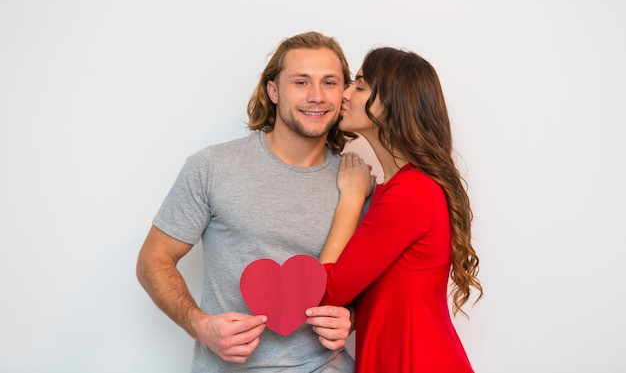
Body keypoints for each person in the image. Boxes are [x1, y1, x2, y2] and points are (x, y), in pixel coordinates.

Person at [136, 31, 358, 372]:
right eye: (301, 82)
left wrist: (351, 319)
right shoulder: (212, 167)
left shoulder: (356, 184)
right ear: (273, 90)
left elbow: (371, 284)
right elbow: (154, 258)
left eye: (329, 82)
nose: (316, 96)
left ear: (344, 93)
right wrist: (198, 325)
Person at [318, 47, 484, 373]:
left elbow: (327, 291)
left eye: (360, 86)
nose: (345, 94)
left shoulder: (411, 193)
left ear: (392, 104)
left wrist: (351, 198)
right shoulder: (400, 189)